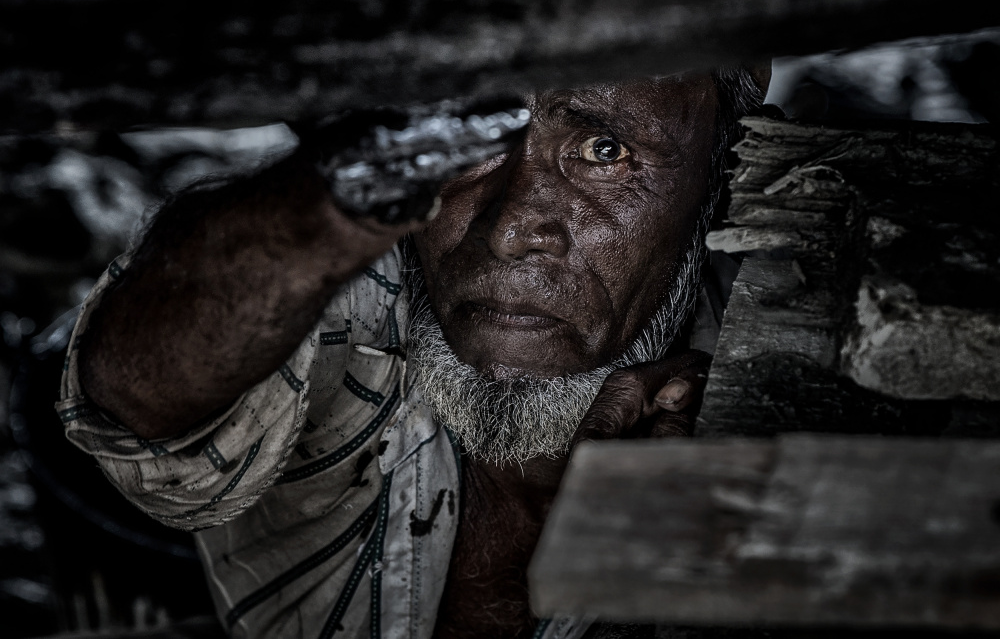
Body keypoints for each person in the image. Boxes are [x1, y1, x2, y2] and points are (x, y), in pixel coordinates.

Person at [56, 68, 767, 639]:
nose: (510, 231)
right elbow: (133, 398)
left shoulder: (782, 357)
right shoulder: (348, 275)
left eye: (604, 151)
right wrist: (341, 195)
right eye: (472, 144)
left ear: (722, 170)